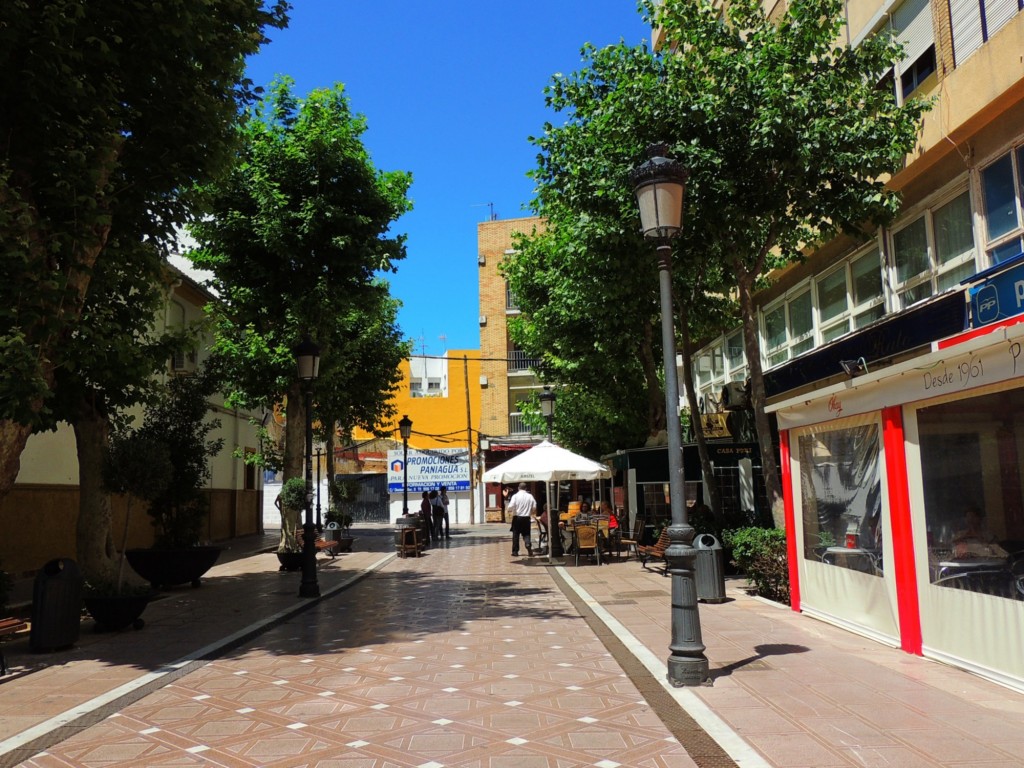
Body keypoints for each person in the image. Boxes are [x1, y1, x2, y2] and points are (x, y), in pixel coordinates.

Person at [506, 482, 537, 557]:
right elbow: (534, 506)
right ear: (526, 488)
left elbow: (510, 506)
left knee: (516, 534)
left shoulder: (515, 496)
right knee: (526, 533)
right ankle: (528, 544)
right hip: (526, 518)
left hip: (517, 517)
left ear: (518, 488)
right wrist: (531, 511)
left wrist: (510, 510)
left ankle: (515, 551)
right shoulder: (530, 496)